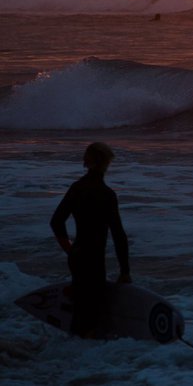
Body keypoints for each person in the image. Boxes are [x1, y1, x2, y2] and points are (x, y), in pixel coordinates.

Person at [50, 142, 131, 338]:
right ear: (105, 164)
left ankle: (74, 350)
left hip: (77, 256)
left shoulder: (77, 188)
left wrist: (70, 250)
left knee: (82, 310)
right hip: (94, 259)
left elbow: (56, 222)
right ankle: (84, 358)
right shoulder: (107, 195)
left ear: (87, 162)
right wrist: (125, 271)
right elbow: (118, 235)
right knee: (91, 318)